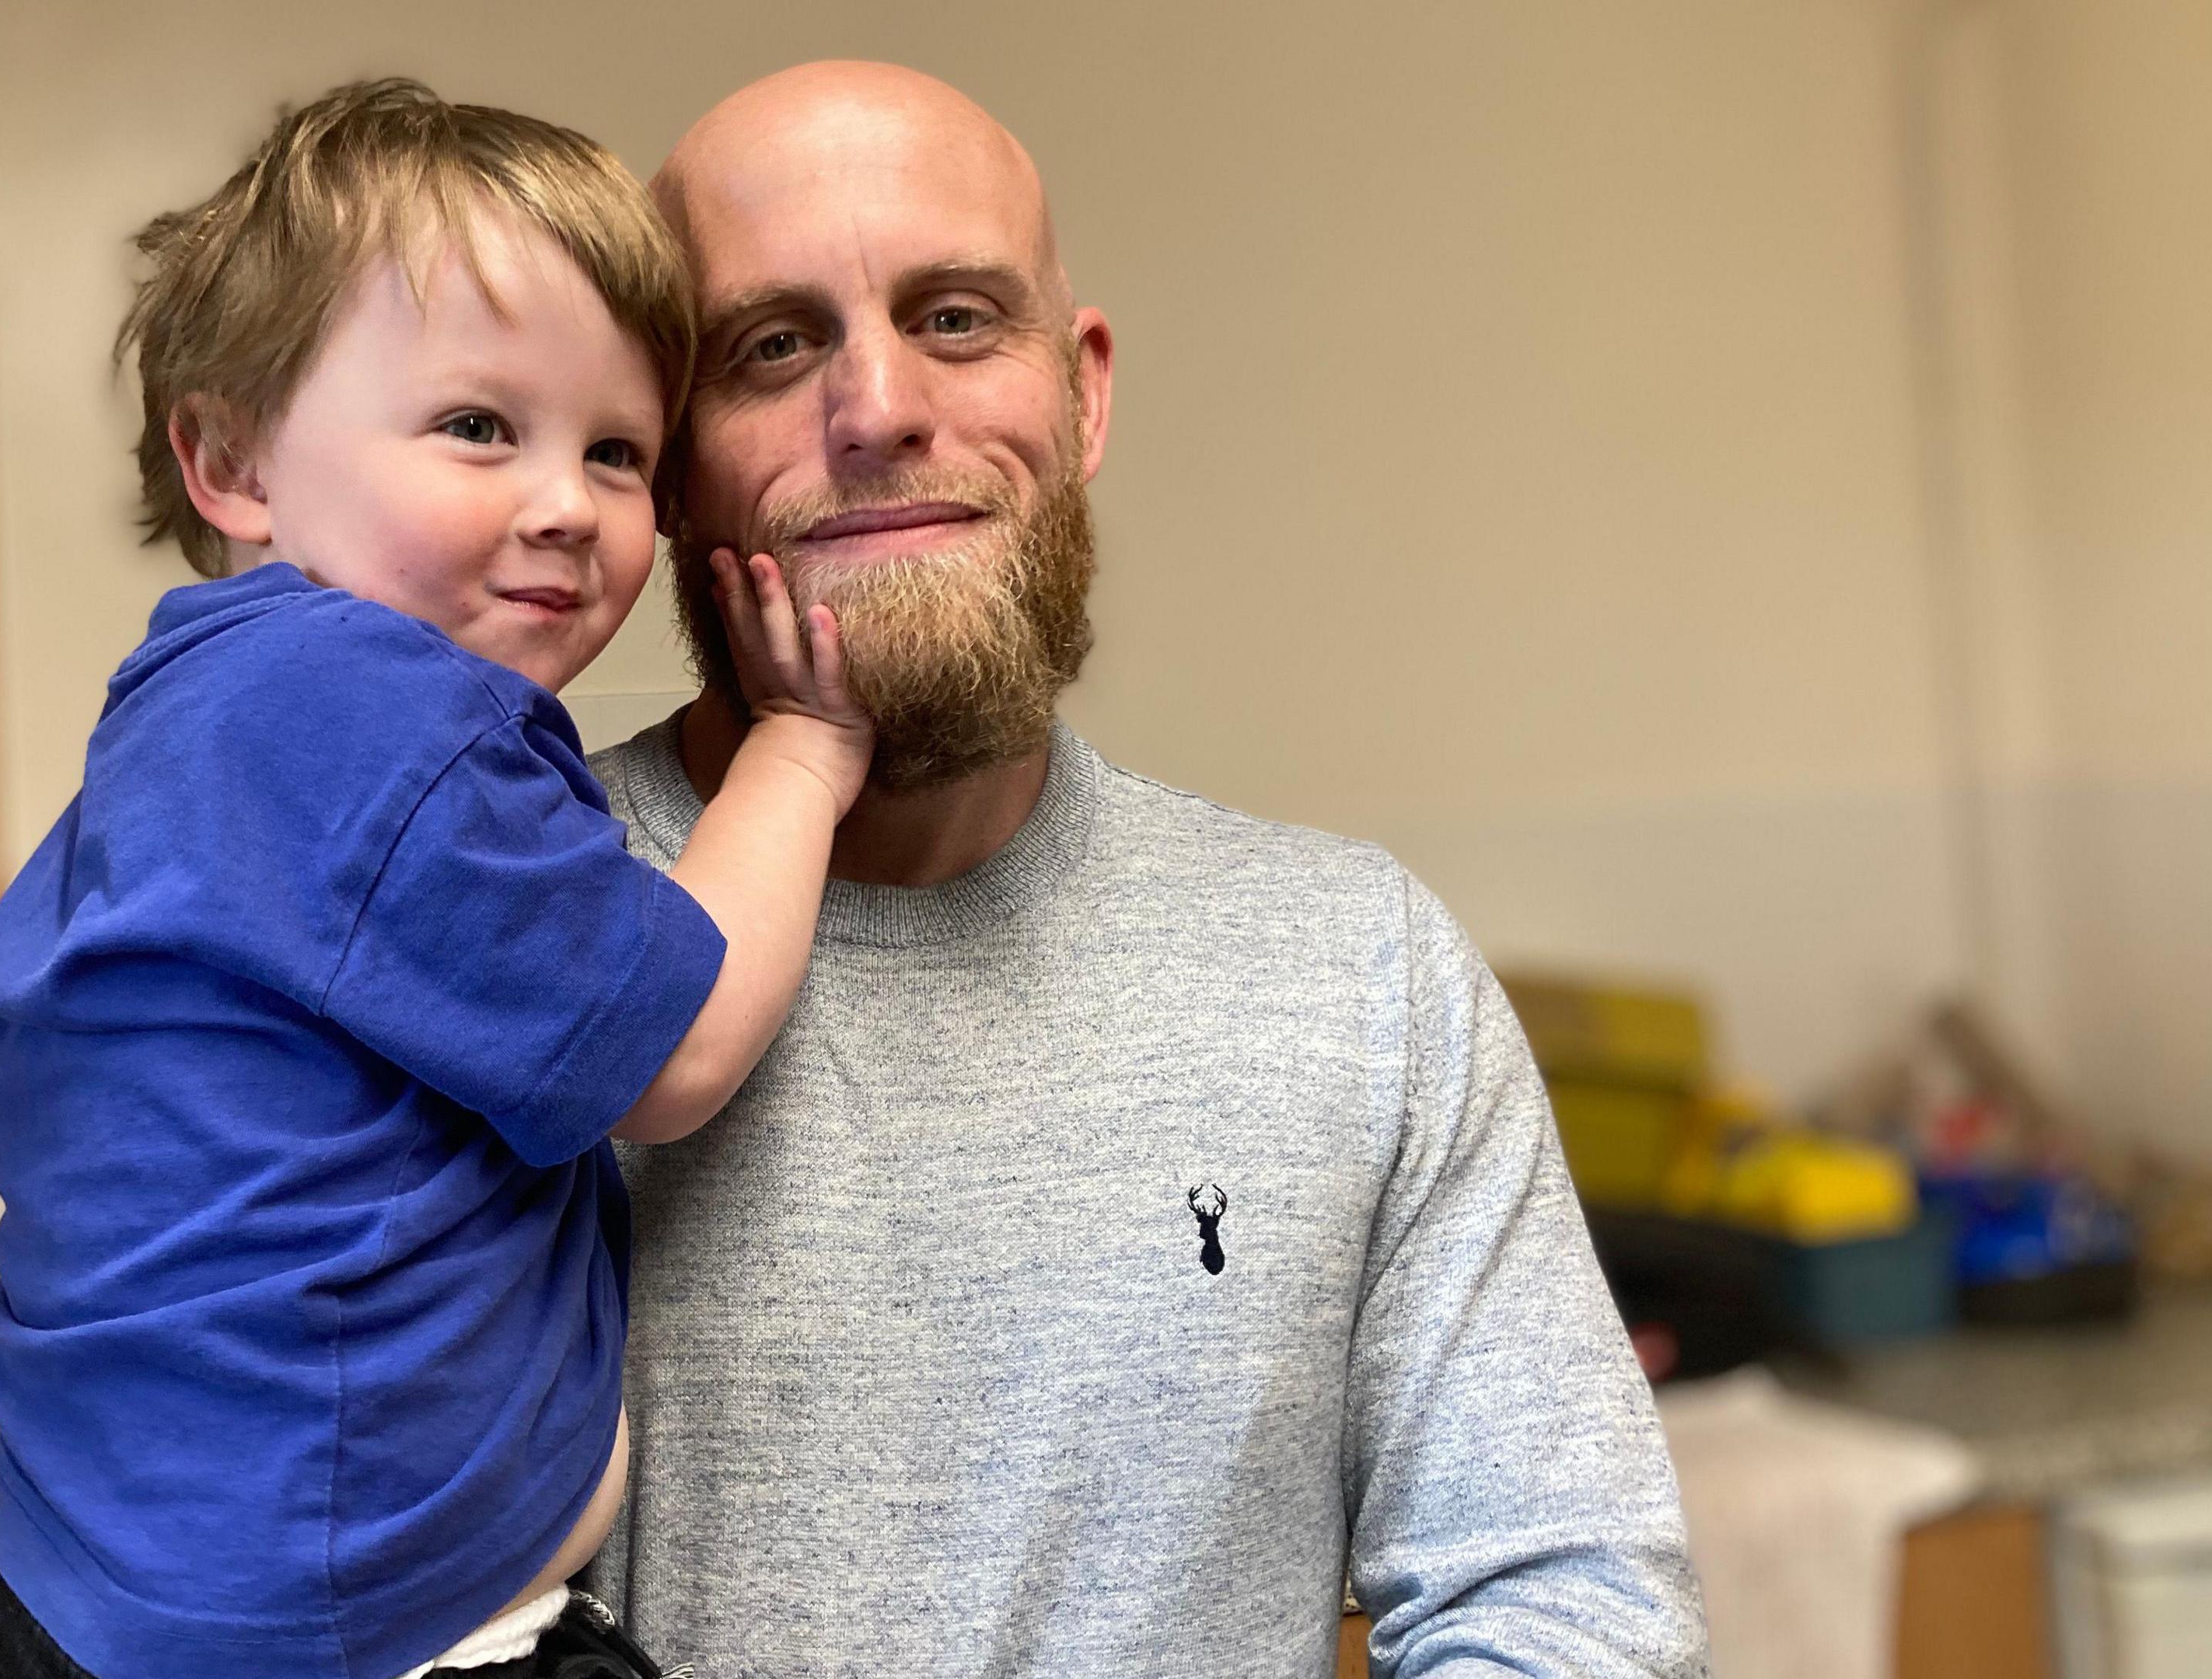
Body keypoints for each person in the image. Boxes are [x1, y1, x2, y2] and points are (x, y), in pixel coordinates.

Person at [577, 61, 1713, 1676]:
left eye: (956, 318)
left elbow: (1572, 1605)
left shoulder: (1356, 978)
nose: (881, 406)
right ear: (667, 457)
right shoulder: (457, 944)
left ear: (1084, 391)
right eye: (772, 345)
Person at [0, 80, 868, 1679]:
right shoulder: (375, 715)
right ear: (231, 460)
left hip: (91, 1581)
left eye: (620, 452)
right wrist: (804, 743)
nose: (567, 506)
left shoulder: (193, 708)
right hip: (323, 1633)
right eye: (478, 427)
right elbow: (680, 1048)